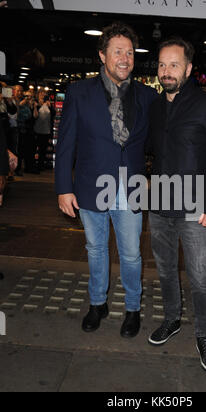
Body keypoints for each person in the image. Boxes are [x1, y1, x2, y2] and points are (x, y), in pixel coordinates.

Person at [55, 22, 157, 339]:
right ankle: (97, 304)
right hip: (90, 186)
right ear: (102, 55)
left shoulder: (148, 96)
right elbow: (66, 143)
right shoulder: (78, 92)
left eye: (129, 52)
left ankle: (132, 309)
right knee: (95, 250)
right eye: (117, 52)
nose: (125, 58)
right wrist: (63, 188)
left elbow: (161, 142)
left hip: (132, 188)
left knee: (131, 254)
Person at [146, 37, 206, 373]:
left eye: (173, 64)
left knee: (199, 278)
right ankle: (172, 319)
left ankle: (204, 336)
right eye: (161, 64)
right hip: (159, 204)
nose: (165, 71)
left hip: (197, 208)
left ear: (187, 68)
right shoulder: (155, 106)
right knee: (166, 270)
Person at [33, 91, 55, 171]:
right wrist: (37, 106)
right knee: (34, 149)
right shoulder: (36, 103)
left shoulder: (48, 104)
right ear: (38, 95)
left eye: (44, 95)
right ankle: (34, 165)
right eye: (41, 94)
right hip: (37, 130)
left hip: (46, 131)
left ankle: (41, 165)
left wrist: (50, 106)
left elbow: (54, 114)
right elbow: (34, 116)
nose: (43, 96)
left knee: (43, 150)